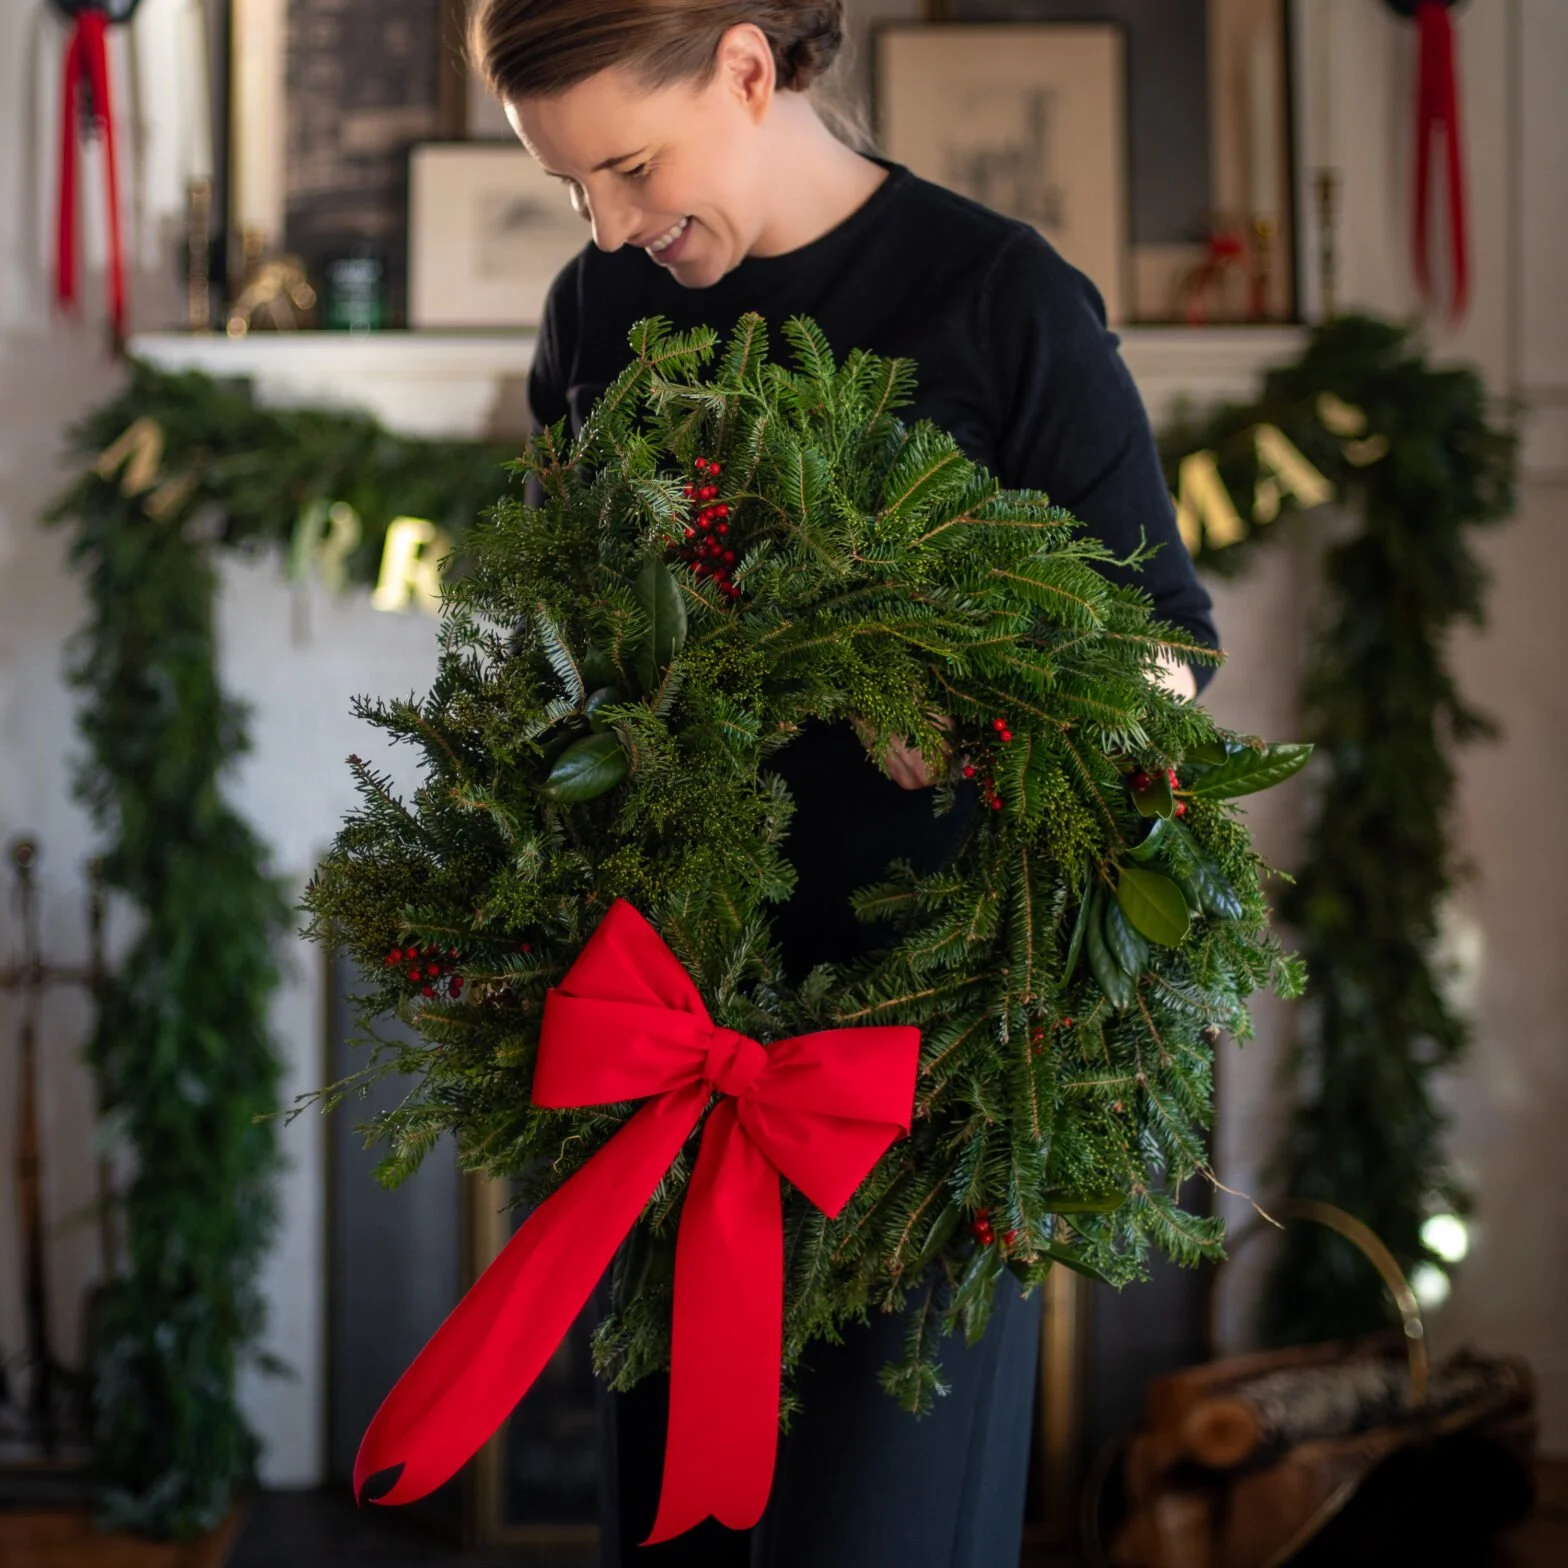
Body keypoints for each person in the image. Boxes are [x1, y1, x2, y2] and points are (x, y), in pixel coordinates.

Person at [468, 4, 1221, 1563]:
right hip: (669, 1048)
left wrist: (978, 694)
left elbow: (1169, 650)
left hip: (917, 1083)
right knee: (678, 1527)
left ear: (750, 68)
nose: (609, 224)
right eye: (570, 189)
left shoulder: (997, 296)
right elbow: (585, 646)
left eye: (626, 164)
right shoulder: (598, 309)